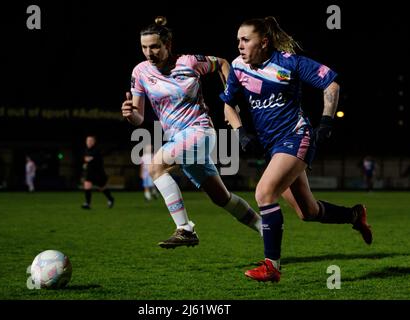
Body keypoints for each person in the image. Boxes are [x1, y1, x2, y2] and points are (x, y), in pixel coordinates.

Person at [220, 16, 373, 282]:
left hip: (295, 137)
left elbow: (331, 83)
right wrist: (240, 132)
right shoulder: (237, 67)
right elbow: (228, 104)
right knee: (308, 212)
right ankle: (354, 215)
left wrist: (325, 121)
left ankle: (272, 267)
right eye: (238, 41)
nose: (240, 46)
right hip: (273, 148)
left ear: (264, 42)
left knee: (264, 193)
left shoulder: (288, 63)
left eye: (246, 40)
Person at [121, 16, 262, 249]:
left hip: (200, 131)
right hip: (178, 139)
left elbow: (223, 63)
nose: (149, 52)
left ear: (168, 45)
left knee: (155, 165)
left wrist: (230, 100)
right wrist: (130, 114)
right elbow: (138, 117)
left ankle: (185, 229)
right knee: (221, 198)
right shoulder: (140, 72)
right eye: (144, 47)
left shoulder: (189, 62)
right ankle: (265, 227)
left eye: (155, 46)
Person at [81, 135, 115, 209]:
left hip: (98, 173)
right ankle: (87, 204)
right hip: (89, 172)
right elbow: (86, 160)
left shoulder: (96, 150)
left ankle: (110, 199)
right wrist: (85, 164)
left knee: (102, 188)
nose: (88, 142)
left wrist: (88, 160)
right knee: (87, 185)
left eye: (90, 141)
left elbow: (90, 159)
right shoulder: (86, 150)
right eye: (87, 141)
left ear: (94, 142)